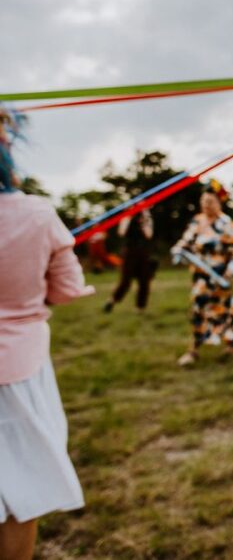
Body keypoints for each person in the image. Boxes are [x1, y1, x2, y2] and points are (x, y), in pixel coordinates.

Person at [0, 111, 91, 560]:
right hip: (20, 370)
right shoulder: (37, 215)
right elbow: (67, 290)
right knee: (23, 488)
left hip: (21, 360)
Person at [171, 181, 233, 367]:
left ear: (218, 203)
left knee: (223, 312)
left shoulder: (227, 223)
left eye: (210, 201)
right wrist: (178, 250)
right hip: (201, 276)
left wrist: (230, 272)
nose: (206, 205)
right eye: (203, 201)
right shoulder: (197, 221)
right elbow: (186, 241)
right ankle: (193, 350)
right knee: (199, 309)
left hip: (222, 277)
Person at [103, 209, 155, 313]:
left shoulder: (147, 218)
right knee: (125, 280)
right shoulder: (126, 216)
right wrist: (128, 217)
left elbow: (149, 235)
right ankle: (112, 301)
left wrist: (144, 220)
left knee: (144, 280)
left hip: (143, 252)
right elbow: (121, 232)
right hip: (129, 252)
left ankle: (140, 307)